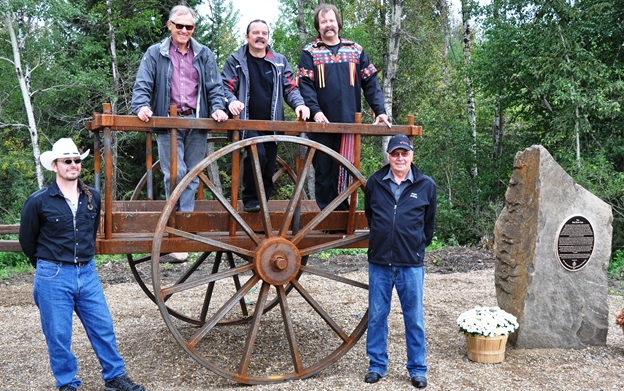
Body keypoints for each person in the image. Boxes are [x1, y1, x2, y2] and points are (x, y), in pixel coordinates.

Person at [19, 138, 144, 391]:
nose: (73, 164)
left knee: (103, 327)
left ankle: (115, 377)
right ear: (55, 165)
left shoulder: (92, 197)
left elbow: (91, 232)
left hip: (87, 273)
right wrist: (46, 266)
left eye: (77, 160)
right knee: (58, 334)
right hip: (53, 274)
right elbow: (27, 239)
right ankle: (66, 383)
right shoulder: (39, 201)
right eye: (67, 161)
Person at [132, 5, 228, 212]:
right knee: (175, 172)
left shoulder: (204, 54)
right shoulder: (155, 53)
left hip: (196, 121)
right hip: (168, 122)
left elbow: (215, 87)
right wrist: (141, 106)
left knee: (192, 173)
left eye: (189, 27)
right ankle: (176, 218)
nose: (184, 30)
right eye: (180, 26)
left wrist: (219, 107)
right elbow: (143, 83)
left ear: (193, 28)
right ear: (170, 25)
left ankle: (183, 218)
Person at [298, 4, 391, 211]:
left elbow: (371, 83)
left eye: (331, 21)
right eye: (323, 22)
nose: (328, 25)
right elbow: (305, 86)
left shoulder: (355, 50)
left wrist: (380, 111)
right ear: (318, 26)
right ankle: (328, 217)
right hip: (320, 123)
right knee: (322, 170)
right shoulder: (310, 52)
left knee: (346, 169)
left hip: (349, 120)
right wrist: (316, 111)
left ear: (338, 23)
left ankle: (343, 216)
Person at [363, 135, 437, 389]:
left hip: (410, 264)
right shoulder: (374, 182)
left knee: (414, 318)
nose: (400, 158)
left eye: (404, 153)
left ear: (412, 155)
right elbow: (371, 216)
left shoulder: (426, 186)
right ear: (388, 156)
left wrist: (414, 247)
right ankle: (376, 365)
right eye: (395, 154)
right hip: (380, 262)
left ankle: (417, 368)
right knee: (377, 316)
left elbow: (429, 227)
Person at [222, 20, 310, 212]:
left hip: (272, 124)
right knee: (257, 154)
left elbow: (290, 88)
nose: (260, 36)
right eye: (255, 33)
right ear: (247, 37)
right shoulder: (235, 61)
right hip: (245, 124)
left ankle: (262, 207)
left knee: (268, 168)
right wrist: (231, 101)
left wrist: (300, 104)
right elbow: (225, 87)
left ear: (268, 37)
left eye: (264, 33)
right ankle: (251, 201)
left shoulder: (279, 61)